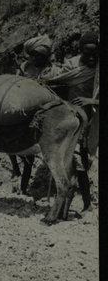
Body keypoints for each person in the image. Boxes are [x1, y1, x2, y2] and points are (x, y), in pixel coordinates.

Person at [47, 31, 99, 211]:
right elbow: (58, 84)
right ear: (80, 51)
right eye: (87, 53)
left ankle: (86, 203)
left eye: (95, 53)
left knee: (79, 159)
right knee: (68, 158)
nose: (92, 57)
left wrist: (92, 101)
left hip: (90, 122)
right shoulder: (71, 65)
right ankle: (68, 200)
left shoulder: (99, 68)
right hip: (69, 119)